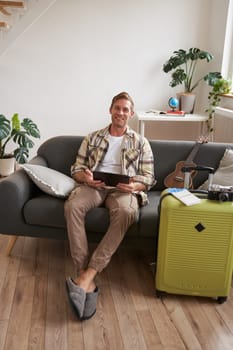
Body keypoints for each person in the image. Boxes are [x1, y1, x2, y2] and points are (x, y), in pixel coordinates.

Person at [64, 91, 155, 320]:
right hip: (95, 186)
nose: (121, 112)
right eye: (117, 108)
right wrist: (85, 178)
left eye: (125, 109)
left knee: (126, 212)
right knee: (72, 206)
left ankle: (87, 275)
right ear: (110, 110)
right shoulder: (92, 137)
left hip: (123, 191)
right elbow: (76, 168)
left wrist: (134, 186)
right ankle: (83, 273)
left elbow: (149, 177)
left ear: (131, 114)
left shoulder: (141, 142)